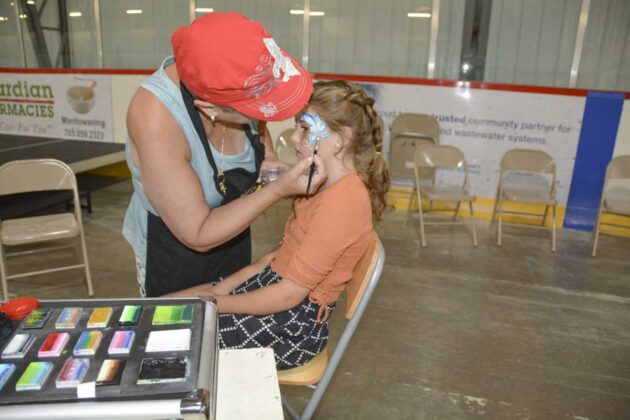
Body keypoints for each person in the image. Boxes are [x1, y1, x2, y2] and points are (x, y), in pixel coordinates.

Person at [167, 80, 391, 370]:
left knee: (175, 340)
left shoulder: (343, 203)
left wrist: (213, 303)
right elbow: (274, 259)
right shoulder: (321, 183)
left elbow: (288, 294)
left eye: (306, 130)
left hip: (293, 328)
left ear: (340, 139)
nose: (295, 140)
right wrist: (220, 290)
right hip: (278, 297)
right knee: (168, 309)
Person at [123, 13, 326, 297]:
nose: (259, 116)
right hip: (175, 253)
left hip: (233, 237)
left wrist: (268, 158)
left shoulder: (238, 81)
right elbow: (198, 233)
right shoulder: (155, 117)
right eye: (255, 108)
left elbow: (258, 122)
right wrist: (278, 190)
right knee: (180, 331)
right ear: (210, 107)